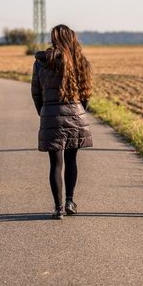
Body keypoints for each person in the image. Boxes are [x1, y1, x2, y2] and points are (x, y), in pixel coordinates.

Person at [32, 25, 93, 220]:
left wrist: (44, 112)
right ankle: (69, 201)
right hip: (75, 113)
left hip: (50, 112)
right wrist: (80, 110)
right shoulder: (80, 60)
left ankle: (58, 208)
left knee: (55, 164)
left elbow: (35, 92)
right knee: (72, 159)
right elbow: (86, 92)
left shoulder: (41, 61)